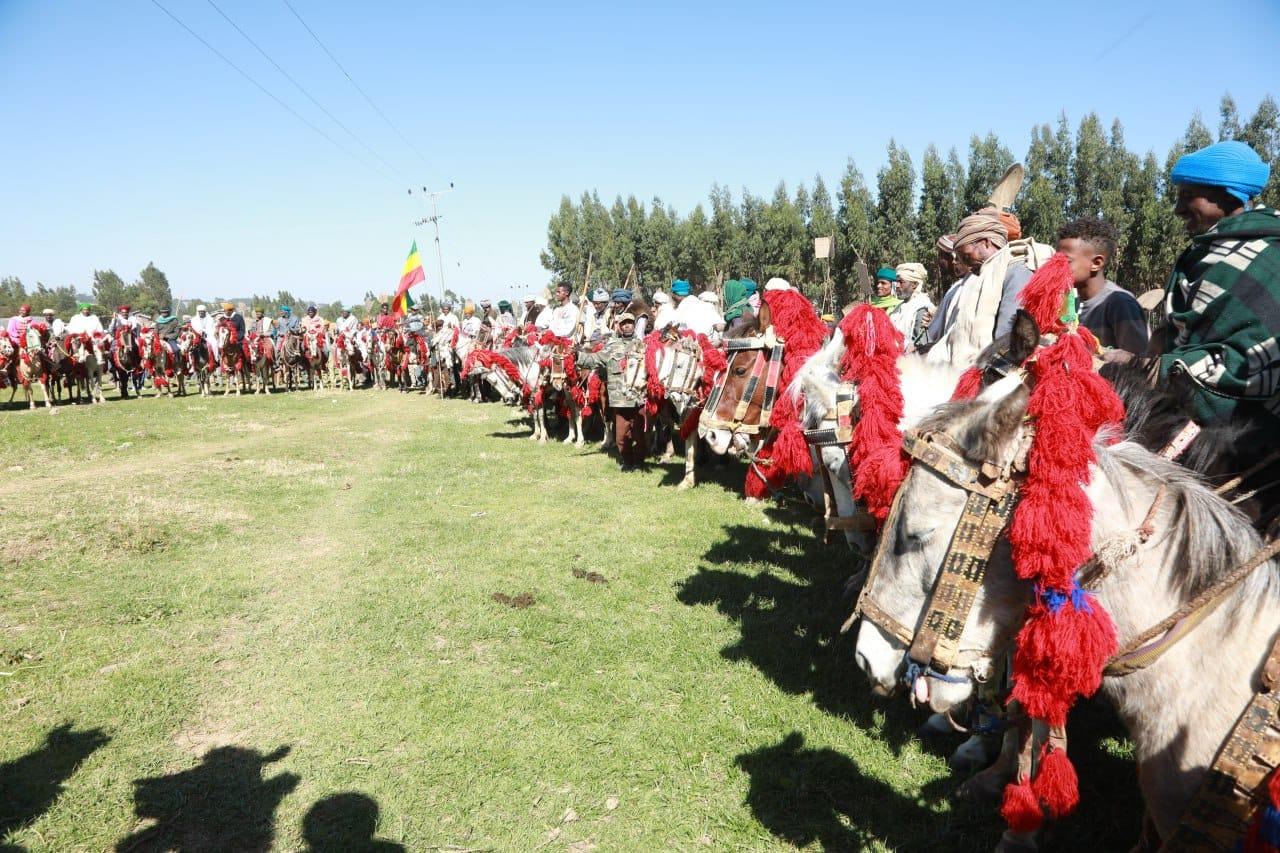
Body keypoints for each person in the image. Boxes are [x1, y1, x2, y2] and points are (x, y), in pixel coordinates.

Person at [1145, 140, 1279, 425]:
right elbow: (1179, 338)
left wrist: (1152, 368)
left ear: (1229, 198)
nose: (1178, 209)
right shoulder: (1202, 253)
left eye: (1189, 196)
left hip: (1255, 436)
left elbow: (1249, 361)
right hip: (1185, 423)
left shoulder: (1269, 258)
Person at [925, 210, 1053, 366]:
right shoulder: (980, 276)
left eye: (966, 256)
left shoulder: (1017, 269)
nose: (967, 265)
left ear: (986, 243)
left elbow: (1007, 340)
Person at [1056, 218, 1149, 355]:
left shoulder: (1120, 303)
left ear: (1097, 263)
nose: (1057, 267)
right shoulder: (1068, 300)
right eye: (1056, 260)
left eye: (1066, 261)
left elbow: (1139, 363)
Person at [577, 313, 647, 470]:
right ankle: (627, 462)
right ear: (619, 326)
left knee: (639, 436)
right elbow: (594, 359)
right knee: (621, 437)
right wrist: (576, 355)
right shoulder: (612, 346)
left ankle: (640, 461)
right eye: (623, 323)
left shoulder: (643, 346)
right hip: (620, 400)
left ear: (634, 325)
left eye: (630, 323)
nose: (627, 326)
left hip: (639, 398)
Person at [891, 263, 935, 353]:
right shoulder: (899, 307)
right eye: (897, 282)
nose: (897, 285)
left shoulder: (922, 308)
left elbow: (921, 346)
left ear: (914, 284)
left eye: (901, 282)